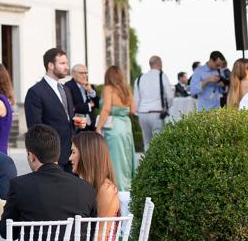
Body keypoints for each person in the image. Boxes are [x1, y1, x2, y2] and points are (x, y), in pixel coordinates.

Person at [69, 130, 120, 241]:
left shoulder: (106, 189)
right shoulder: (87, 186)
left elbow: (99, 238)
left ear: (87, 154)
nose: (69, 158)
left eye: (73, 152)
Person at [24, 48, 75, 171]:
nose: (67, 67)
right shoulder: (35, 92)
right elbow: (35, 128)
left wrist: (76, 123)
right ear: (50, 65)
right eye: (62, 63)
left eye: (66, 63)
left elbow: (66, 120)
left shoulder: (66, 89)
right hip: (51, 159)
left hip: (71, 156)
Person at [96, 65, 137, 196]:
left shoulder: (108, 88)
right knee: (126, 160)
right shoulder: (126, 89)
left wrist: (98, 127)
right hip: (126, 126)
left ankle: (116, 193)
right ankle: (127, 191)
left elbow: (106, 109)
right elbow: (133, 110)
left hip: (113, 127)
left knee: (115, 161)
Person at [133, 56, 174, 149]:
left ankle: (147, 158)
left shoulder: (140, 78)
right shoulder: (162, 76)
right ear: (160, 64)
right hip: (156, 113)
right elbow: (170, 96)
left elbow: (136, 99)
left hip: (142, 114)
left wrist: (138, 112)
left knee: (146, 142)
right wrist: (166, 107)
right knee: (158, 143)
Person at [65, 64, 100, 130]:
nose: (84, 75)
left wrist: (90, 91)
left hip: (91, 125)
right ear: (73, 74)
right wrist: (88, 106)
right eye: (81, 73)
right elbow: (71, 108)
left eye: (86, 73)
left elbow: (99, 104)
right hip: (77, 125)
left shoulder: (89, 86)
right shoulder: (67, 86)